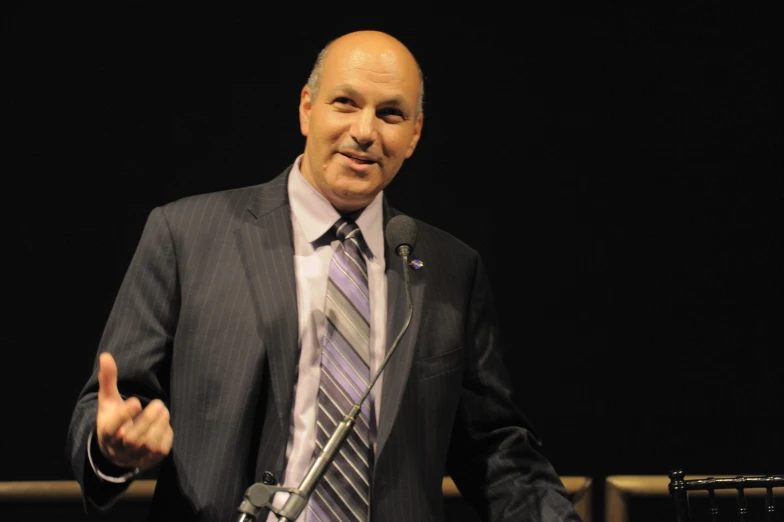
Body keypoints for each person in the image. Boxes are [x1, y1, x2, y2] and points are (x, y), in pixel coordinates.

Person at [66, 30, 582, 522]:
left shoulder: (449, 267)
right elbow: (109, 406)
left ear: (414, 135)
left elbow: (494, 447)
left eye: (391, 114)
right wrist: (113, 448)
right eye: (345, 103)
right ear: (306, 108)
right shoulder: (186, 235)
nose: (365, 131)